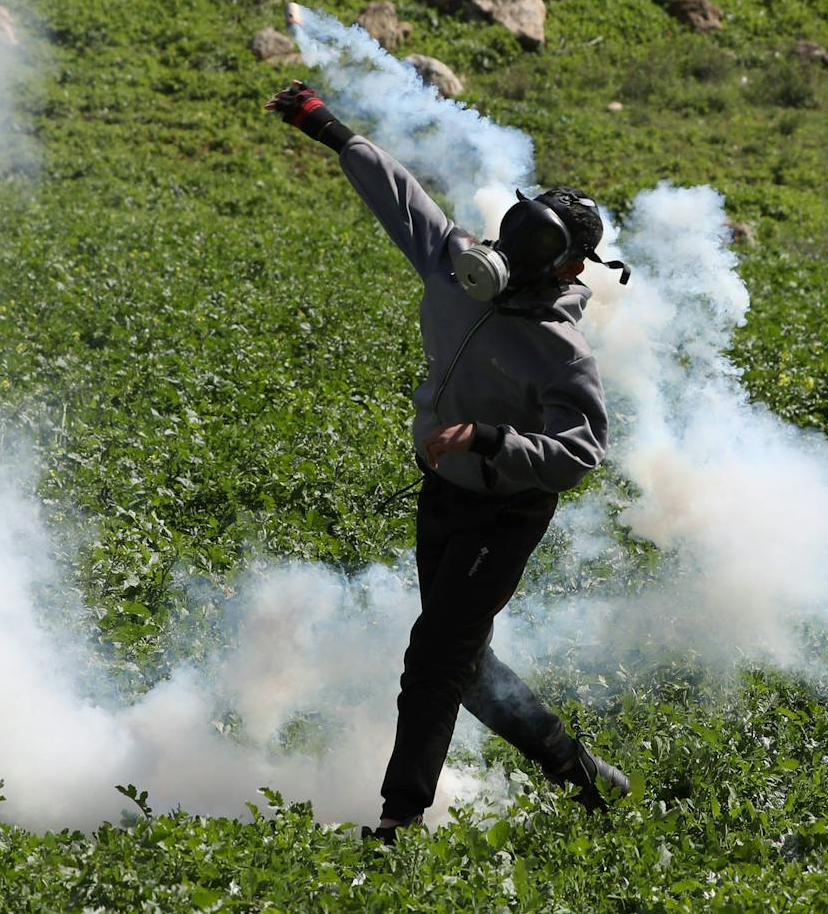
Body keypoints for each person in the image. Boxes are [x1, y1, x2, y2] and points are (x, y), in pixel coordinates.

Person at [265, 77, 631, 844]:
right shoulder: (457, 264)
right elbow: (399, 195)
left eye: (530, 246)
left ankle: (398, 821)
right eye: (511, 230)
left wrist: (491, 439)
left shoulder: (563, 351)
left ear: (571, 271)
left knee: (435, 657)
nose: (505, 251)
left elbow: (579, 453)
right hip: (444, 493)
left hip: (506, 510)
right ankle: (579, 771)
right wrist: (329, 129)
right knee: (466, 664)